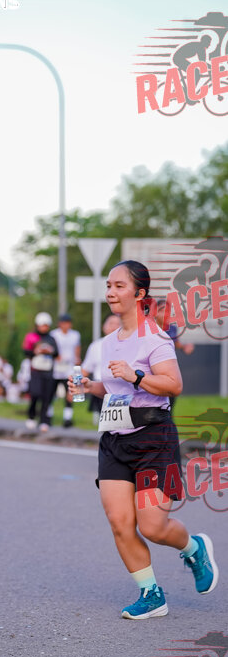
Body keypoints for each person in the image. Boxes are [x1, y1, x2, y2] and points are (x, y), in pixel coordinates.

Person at [69, 260, 218, 619]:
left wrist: (136, 375)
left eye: (119, 286)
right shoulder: (107, 343)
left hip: (153, 439)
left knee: (152, 527)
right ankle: (151, 594)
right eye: (109, 285)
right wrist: (90, 386)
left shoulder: (155, 338)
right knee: (120, 522)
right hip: (115, 439)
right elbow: (114, 386)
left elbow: (173, 384)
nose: (110, 292)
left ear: (139, 293)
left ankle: (194, 548)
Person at [22, 312, 59, 432]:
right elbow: (26, 351)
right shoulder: (31, 337)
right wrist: (36, 351)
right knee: (35, 394)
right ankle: (31, 416)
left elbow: (56, 353)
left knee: (46, 397)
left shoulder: (51, 339)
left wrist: (49, 351)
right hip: (35, 370)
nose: (44, 328)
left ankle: (44, 421)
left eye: (46, 325)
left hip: (48, 370)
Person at [81, 315, 121, 424]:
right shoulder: (96, 346)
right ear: (104, 327)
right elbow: (86, 369)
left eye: (117, 324)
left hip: (120, 388)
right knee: (106, 424)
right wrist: (75, 384)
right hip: (100, 388)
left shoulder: (129, 344)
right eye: (111, 323)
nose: (114, 327)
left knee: (119, 425)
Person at [49, 313, 81, 427]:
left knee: (70, 393)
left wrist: (77, 359)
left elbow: (77, 347)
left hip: (69, 368)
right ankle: (48, 415)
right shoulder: (54, 334)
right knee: (51, 393)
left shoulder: (75, 335)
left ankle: (67, 417)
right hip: (56, 368)